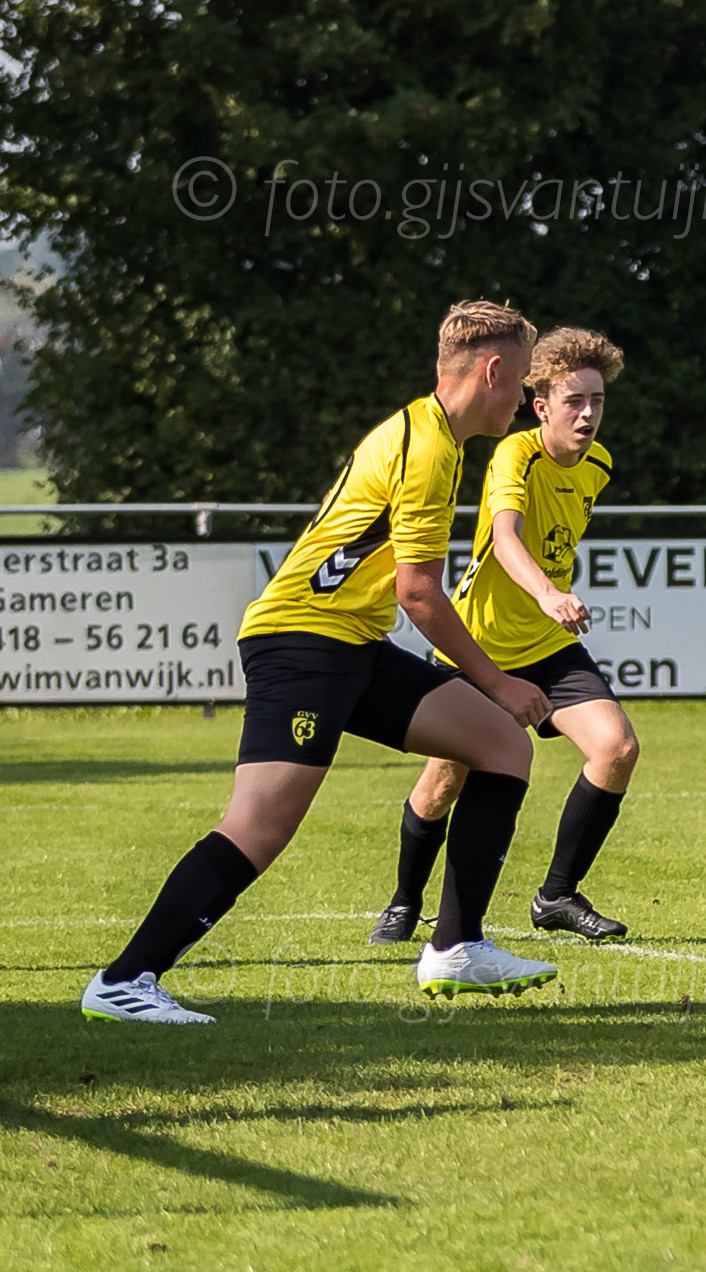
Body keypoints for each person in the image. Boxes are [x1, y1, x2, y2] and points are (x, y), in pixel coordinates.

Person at [81, 301, 559, 1024]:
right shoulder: (429, 450)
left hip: (351, 642)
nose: (524, 397)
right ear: (492, 370)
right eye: (522, 380)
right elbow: (419, 593)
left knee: (500, 746)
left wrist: (491, 696)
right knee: (258, 826)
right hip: (304, 642)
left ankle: (456, 948)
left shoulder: (432, 434)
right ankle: (124, 980)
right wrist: (497, 681)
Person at [369, 327, 638, 947]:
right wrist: (547, 593)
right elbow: (506, 537)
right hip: (480, 644)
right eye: (574, 401)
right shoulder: (515, 455)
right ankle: (405, 902)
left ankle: (557, 896)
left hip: (547, 644)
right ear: (540, 406)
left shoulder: (599, 465)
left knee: (616, 749)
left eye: (597, 401)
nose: (588, 414)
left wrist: (547, 604)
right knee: (445, 781)